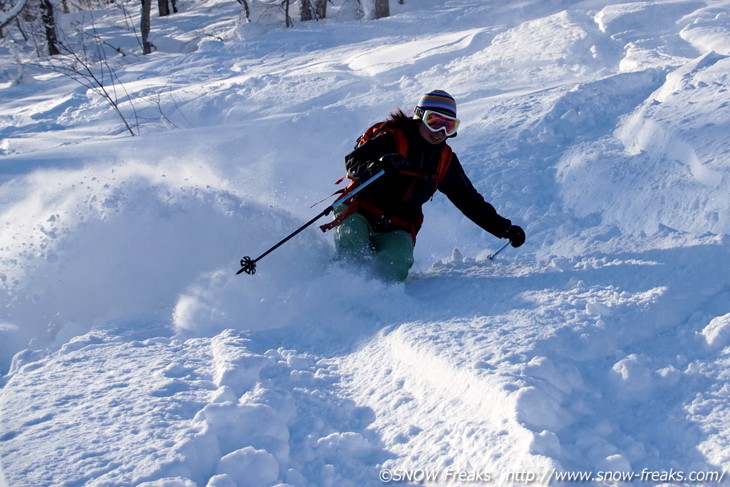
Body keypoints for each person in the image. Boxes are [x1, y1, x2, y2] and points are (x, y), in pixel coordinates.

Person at [328, 90, 525, 281]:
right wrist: (378, 166)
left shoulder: (444, 160)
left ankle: (377, 301)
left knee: (393, 271)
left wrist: (504, 229)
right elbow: (353, 161)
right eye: (434, 122)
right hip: (359, 213)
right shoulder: (393, 139)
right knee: (351, 254)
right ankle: (336, 290)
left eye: (448, 126)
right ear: (420, 117)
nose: (440, 132)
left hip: (396, 228)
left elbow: (468, 200)